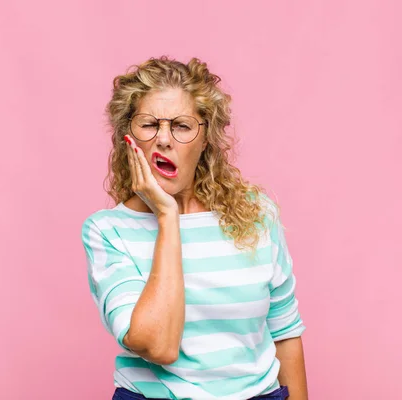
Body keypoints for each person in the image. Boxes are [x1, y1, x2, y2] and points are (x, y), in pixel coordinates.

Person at [81, 56, 308, 400]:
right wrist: (167, 216)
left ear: (205, 141)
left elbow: (285, 332)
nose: (164, 140)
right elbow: (159, 346)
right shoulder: (107, 231)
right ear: (128, 138)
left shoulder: (257, 214)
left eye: (182, 126)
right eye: (149, 124)